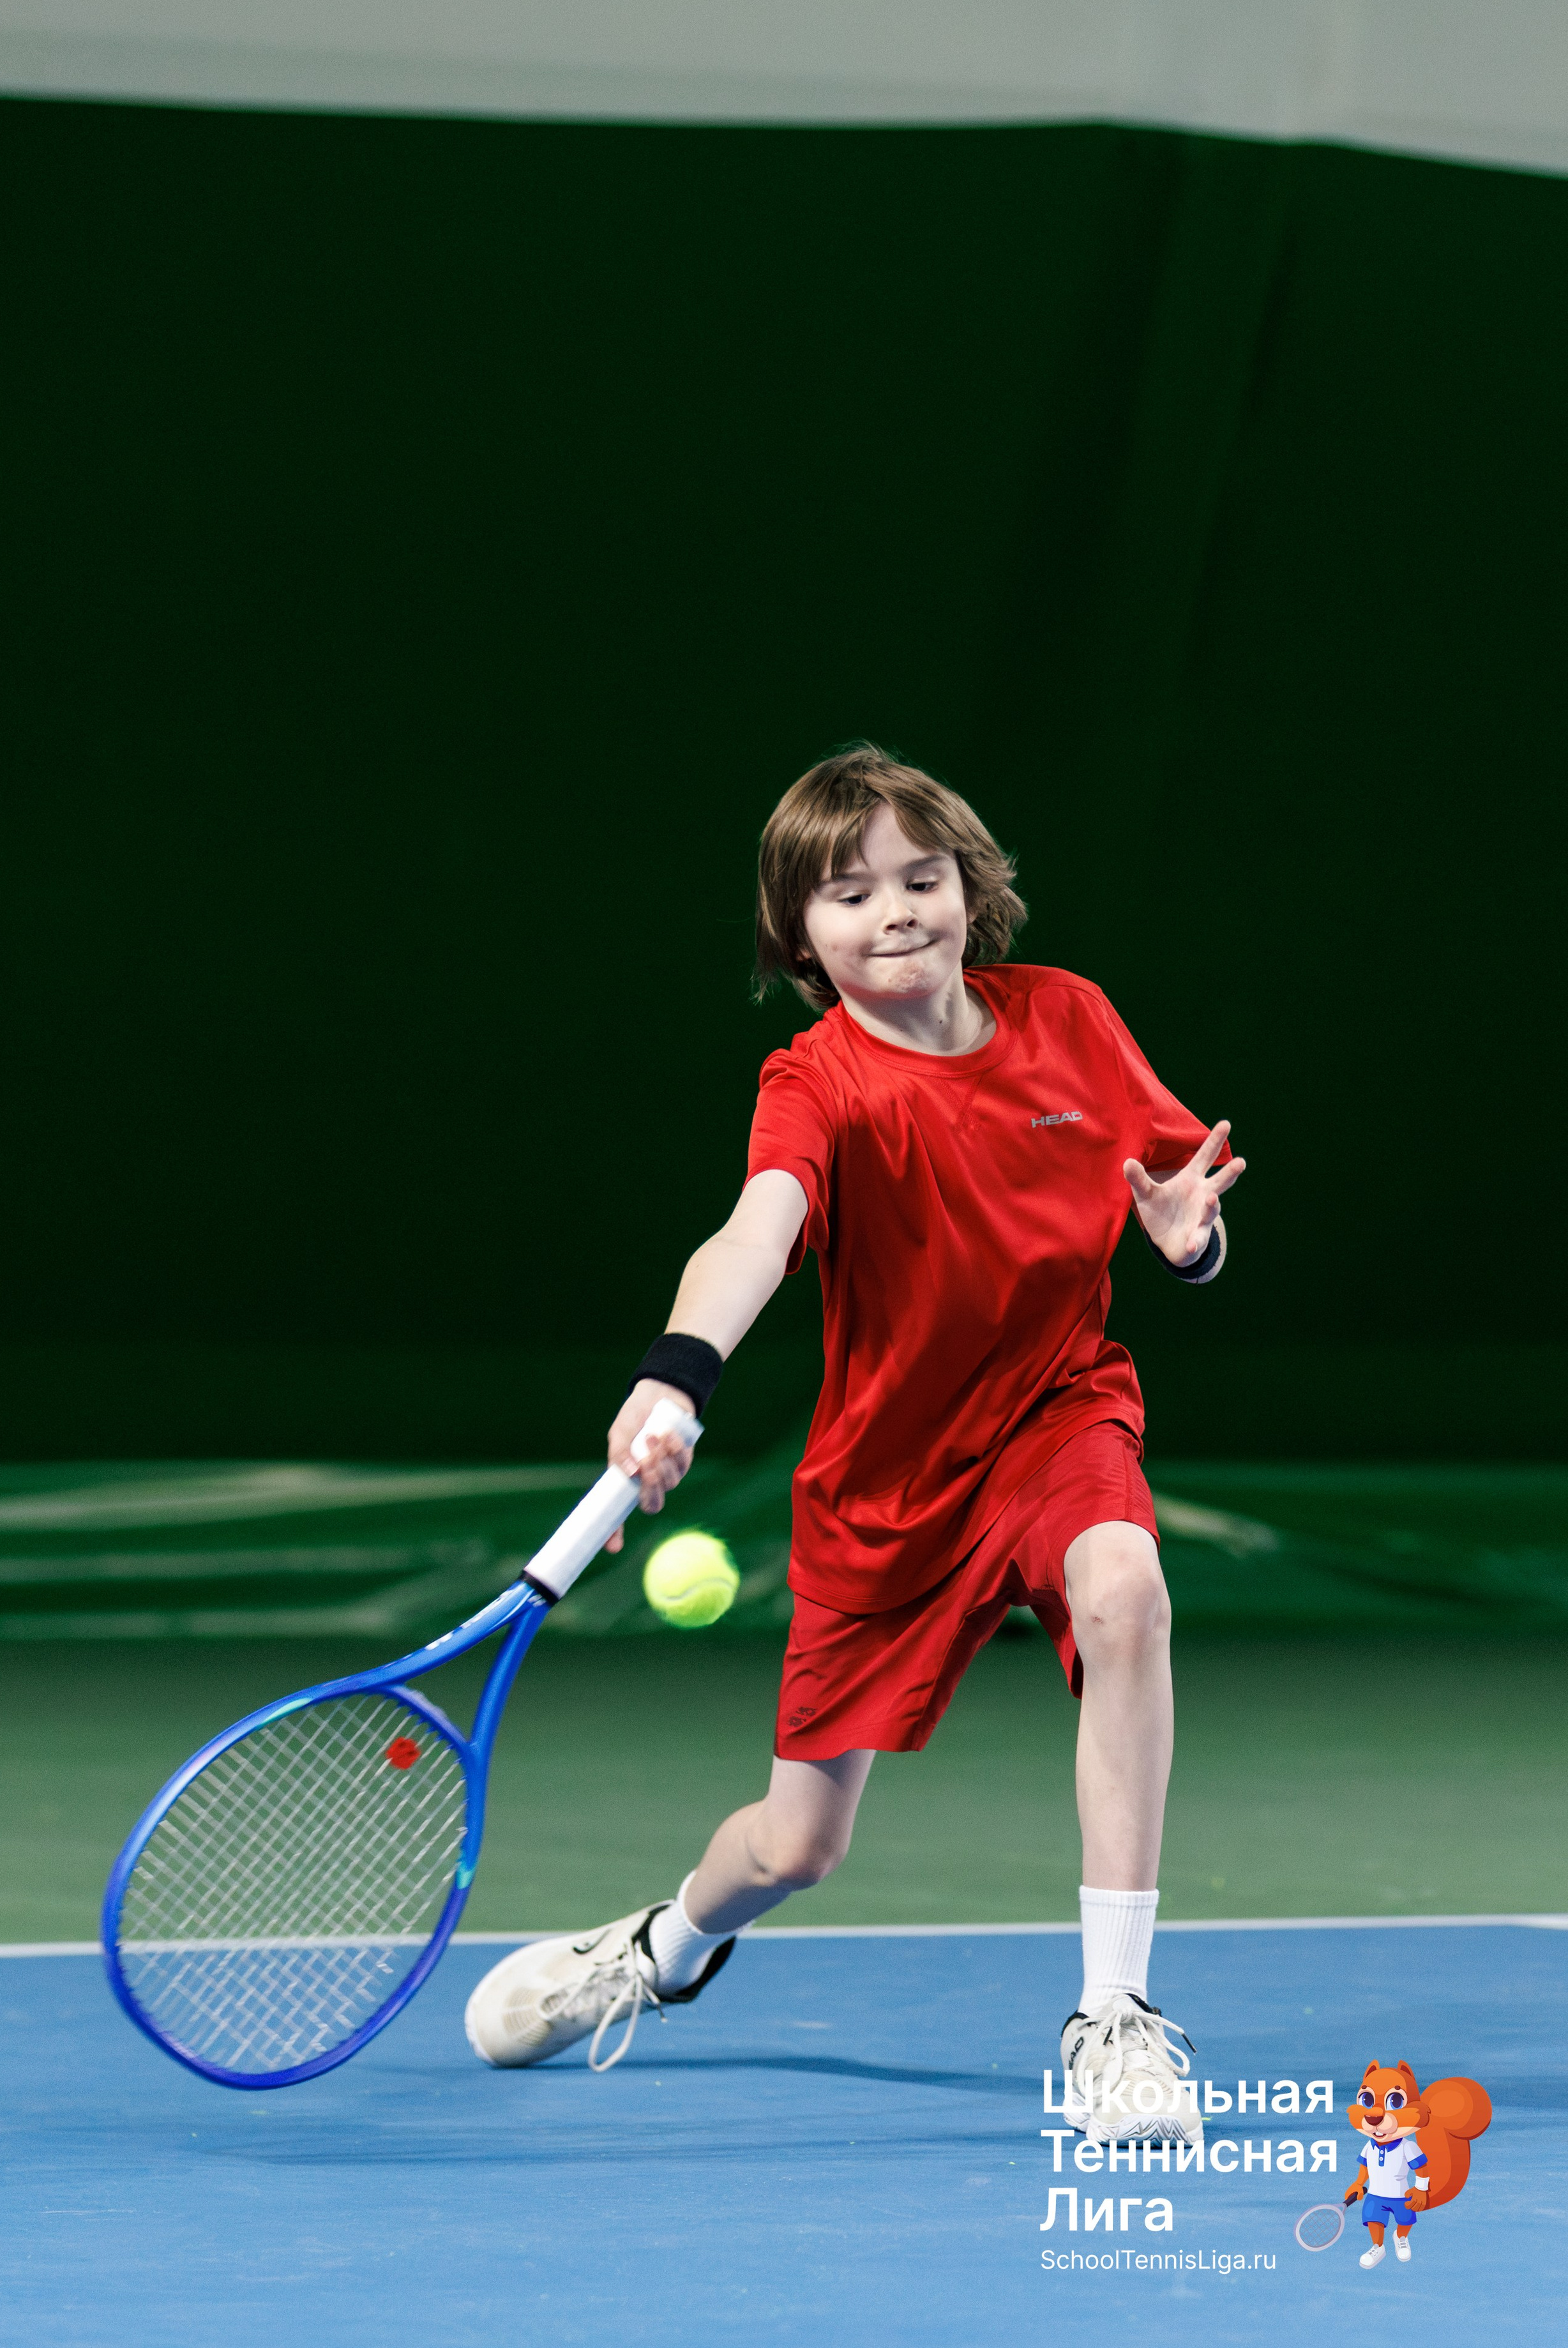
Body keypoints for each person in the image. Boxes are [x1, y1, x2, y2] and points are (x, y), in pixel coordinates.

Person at [465, 746, 1244, 2137]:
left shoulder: (1066, 1016)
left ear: (969, 891)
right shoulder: (814, 1081)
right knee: (795, 1844)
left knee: (1126, 1589)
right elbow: (753, 1232)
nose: (891, 910)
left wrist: (1188, 1246)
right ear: (798, 935)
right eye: (847, 892)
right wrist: (674, 1378)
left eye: (919, 878)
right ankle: (652, 1953)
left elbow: (1176, 1193)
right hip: (885, 1483)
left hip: (1058, 1409)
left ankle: (1115, 2015)